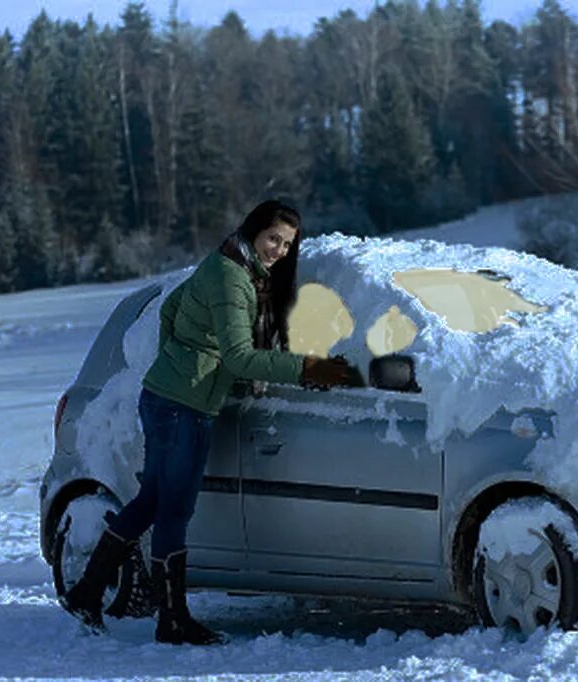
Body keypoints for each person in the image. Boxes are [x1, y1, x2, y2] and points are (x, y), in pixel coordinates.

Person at [60, 200, 356, 645]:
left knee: (151, 501)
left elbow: (170, 309)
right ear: (255, 230)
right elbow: (240, 357)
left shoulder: (224, 260)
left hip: (163, 396)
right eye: (273, 238)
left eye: (287, 243)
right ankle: (172, 619)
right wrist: (308, 369)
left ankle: (86, 592)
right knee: (173, 510)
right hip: (183, 408)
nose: (278, 249)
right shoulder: (234, 279)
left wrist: (180, 359)